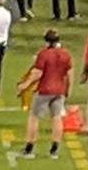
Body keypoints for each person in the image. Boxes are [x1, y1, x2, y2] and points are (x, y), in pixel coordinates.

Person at [22, 30, 71, 158]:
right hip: (59, 89)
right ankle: (54, 149)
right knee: (56, 118)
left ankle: (29, 147)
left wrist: (25, 85)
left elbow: (37, 73)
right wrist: (67, 90)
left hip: (45, 90)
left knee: (34, 117)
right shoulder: (65, 54)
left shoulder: (43, 54)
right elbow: (69, 74)